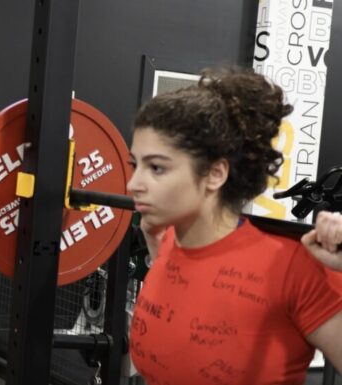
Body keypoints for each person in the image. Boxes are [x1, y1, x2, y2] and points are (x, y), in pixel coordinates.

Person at [126, 68, 342, 384]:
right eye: (136, 164)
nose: (134, 183)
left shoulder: (293, 267)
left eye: (157, 168)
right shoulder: (169, 241)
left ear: (215, 174)